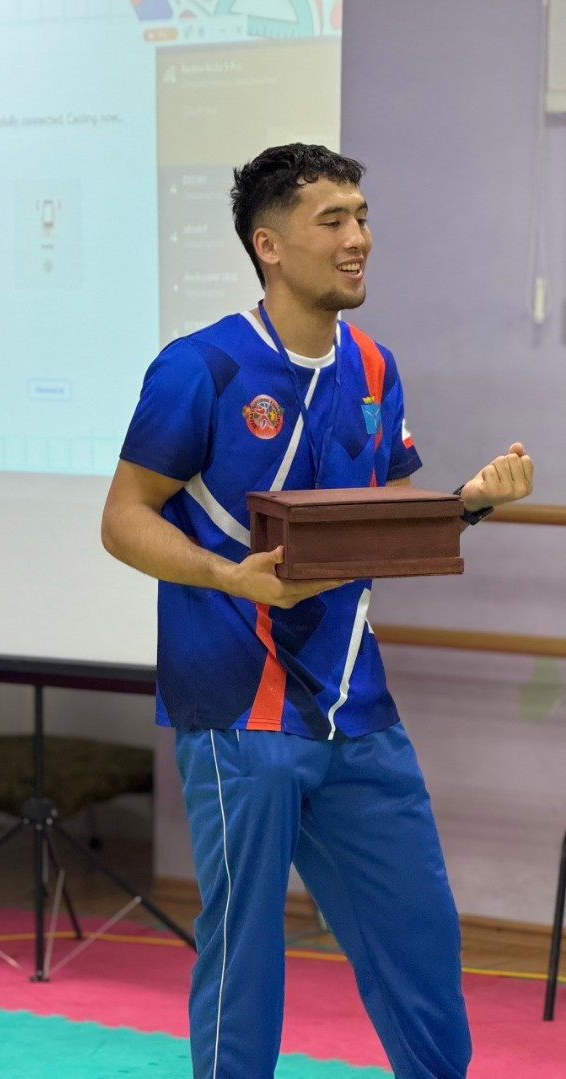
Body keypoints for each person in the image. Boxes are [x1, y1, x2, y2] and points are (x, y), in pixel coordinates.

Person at [101, 143, 533, 1079]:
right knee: (245, 956)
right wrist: (232, 579)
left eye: (362, 217)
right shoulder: (199, 367)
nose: (358, 239)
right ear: (268, 245)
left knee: (420, 941)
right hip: (238, 710)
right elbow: (123, 519)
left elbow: (388, 517)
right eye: (331, 220)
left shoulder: (374, 366)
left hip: (355, 711)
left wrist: (467, 502)